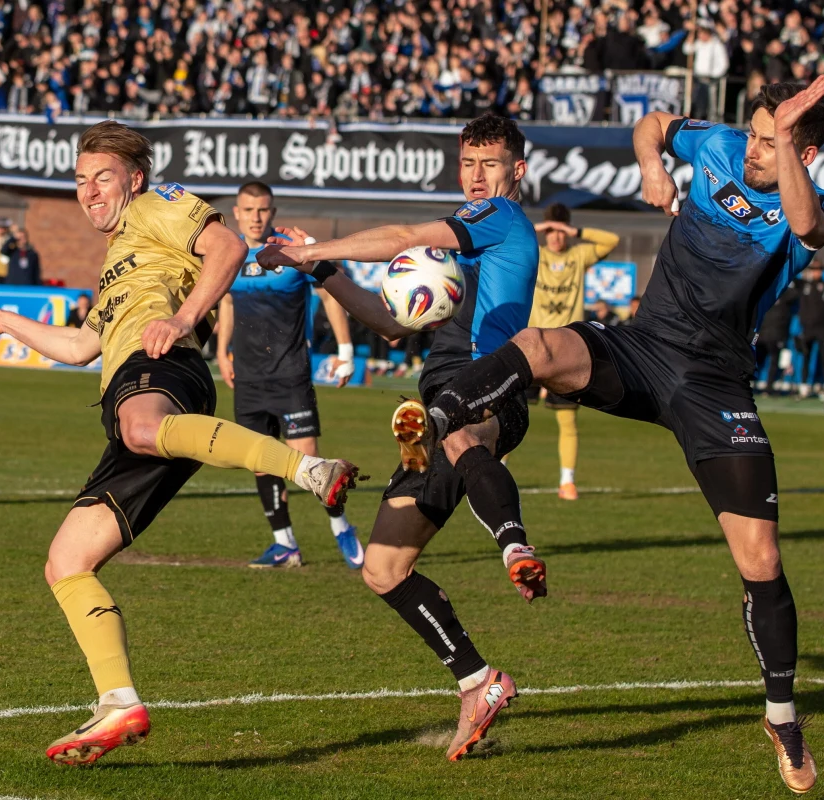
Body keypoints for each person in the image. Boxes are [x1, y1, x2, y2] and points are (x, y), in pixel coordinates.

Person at [399, 79, 824, 794]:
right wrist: (653, 165)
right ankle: (440, 418)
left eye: (772, 139)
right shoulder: (721, 144)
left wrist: (784, 142)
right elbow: (655, 122)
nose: (753, 147)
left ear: (804, 148)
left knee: (760, 560)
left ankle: (783, 716)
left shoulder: (816, 203)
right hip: (643, 347)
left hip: (714, 384)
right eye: (756, 133)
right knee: (543, 346)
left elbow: (808, 223)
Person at [0, 120, 360, 767]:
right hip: (130, 403)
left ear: (134, 179)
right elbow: (79, 346)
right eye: (81, 180)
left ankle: (309, 471)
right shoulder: (116, 255)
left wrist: (180, 318)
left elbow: (226, 248)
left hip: (162, 374)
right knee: (66, 560)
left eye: (103, 178)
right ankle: (118, 700)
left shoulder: (156, 205)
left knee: (141, 426)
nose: (90, 191)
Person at [257, 113, 542, 761]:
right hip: (439, 400)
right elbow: (389, 323)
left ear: (515, 171)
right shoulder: (462, 236)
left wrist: (312, 249)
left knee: (463, 440)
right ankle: (479, 681)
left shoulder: (499, 221)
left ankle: (513, 544)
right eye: (467, 162)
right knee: (383, 567)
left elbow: (405, 234)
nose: (475, 175)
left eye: (489, 163)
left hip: (484, 388)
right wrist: (323, 276)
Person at [215, 181, 364, 570]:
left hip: (291, 373)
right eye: (248, 210)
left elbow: (332, 294)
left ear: (273, 212)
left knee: (309, 460)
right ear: (237, 212)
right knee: (261, 461)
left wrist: (345, 351)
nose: (256, 217)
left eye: (263, 209)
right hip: (247, 376)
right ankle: (285, 545)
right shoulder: (229, 251)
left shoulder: (292, 249)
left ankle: (341, 526)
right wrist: (221, 350)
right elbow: (228, 301)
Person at [529, 202, 621, 500]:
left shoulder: (579, 256)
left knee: (567, 419)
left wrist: (576, 231)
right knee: (507, 413)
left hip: (566, 350)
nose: (556, 237)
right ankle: (497, 470)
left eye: (561, 231)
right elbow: (507, 237)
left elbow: (612, 241)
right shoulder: (535, 254)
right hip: (529, 346)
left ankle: (567, 482)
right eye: (551, 231)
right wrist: (539, 228)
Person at [793, 260, 824, 398]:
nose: (816, 272)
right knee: (806, 356)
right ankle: (804, 386)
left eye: (818, 269)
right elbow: (793, 277)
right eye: (813, 269)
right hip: (807, 327)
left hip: (822, 328)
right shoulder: (804, 284)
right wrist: (804, 269)